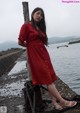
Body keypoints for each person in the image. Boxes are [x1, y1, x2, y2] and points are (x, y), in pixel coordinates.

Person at [18, 7, 77, 110]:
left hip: (44, 54)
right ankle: (63, 102)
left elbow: (43, 41)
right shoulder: (26, 26)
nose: (39, 16)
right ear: (33, 14)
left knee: (51, 78)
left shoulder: (39, 28)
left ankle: (54, 102)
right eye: (37, 13)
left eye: (41, 15)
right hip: (35, 55)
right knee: (47, 80)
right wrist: (30, 47)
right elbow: (20, 41)